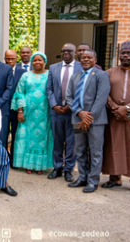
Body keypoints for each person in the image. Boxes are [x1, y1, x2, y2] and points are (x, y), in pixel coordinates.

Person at [66, 49, 110, 193]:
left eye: (89, 58)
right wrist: (79, 113)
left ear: (95, 60)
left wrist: (89, 117)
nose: (85, 60)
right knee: (80, 150)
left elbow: (101, 98)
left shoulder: (102, 75)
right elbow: (69, 98)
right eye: (83, 58)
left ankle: (93, 181)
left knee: (96, 152)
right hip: (77, 119)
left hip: (96, 121)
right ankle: (82, 177)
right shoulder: (75, 76)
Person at [102, 40, 130, 195]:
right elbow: (104, 92)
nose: (125, 55)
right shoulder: (110, 72)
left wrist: (127, 107)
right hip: (113, 115)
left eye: (129, 53)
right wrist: (115, 107)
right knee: (113, 146)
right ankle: (114, 178)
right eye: (122, 53)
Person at [11, 52, 53, 174]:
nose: (37, 62)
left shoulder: (50, 75)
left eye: (40, 60)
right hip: (28, 113)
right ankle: (27, 164)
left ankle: (40, 166)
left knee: (42, 138)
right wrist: (20, 110)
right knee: (27, 137)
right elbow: (20, 93)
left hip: (44, 113)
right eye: (34, 60)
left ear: (44, 61)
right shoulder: (26, 75)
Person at [46, 43, 81, 182]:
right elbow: (49, 89)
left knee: (72, 142)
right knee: (57, 140)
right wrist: (54, 105)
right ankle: (58, 167)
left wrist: (70, 106)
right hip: (56, 111)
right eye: (63, 51)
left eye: (69, 51)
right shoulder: (53, 67)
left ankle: (69, 169)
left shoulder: (80, 67)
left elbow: (82, 90)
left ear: (76, 52)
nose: (66, 53)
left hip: (73, 112)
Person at [4, 49, 26, 165]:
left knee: (16, 135)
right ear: (4, 58)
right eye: (7, 58)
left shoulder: (22, 72)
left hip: (18, 109)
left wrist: (21, 108)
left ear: (16, 59)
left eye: (12, 58)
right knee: (3, 134)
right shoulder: (1, 70)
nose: (10, 61)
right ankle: (4, 158)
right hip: (3, 108)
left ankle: (14, 160)